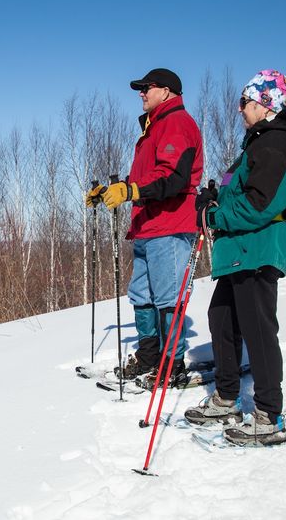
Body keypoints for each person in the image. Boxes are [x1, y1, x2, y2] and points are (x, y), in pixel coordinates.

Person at [183, 69, 286, 446]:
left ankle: (268, 414)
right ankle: (227, 398)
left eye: (244, 102)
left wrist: (215, 215)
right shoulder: (257, 144)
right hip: (242, 249)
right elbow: (233, 189)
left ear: (265, 104)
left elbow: (260, 203)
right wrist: (211, 199)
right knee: (222, 318)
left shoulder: (276, 144)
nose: (239, 109)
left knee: (257, 327)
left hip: (260, 245)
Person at [86, 68, 204, 384]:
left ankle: (172, 363)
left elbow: (173, 178)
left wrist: (132, 190)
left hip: (171, 224)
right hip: (147, 226)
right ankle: (150, 357)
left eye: (146, 88)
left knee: (167, 296)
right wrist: (113, 191)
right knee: (142, 294)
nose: (141, 93)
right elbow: (145, 180)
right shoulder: (153, 129)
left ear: (166, 91)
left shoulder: (176, 124)